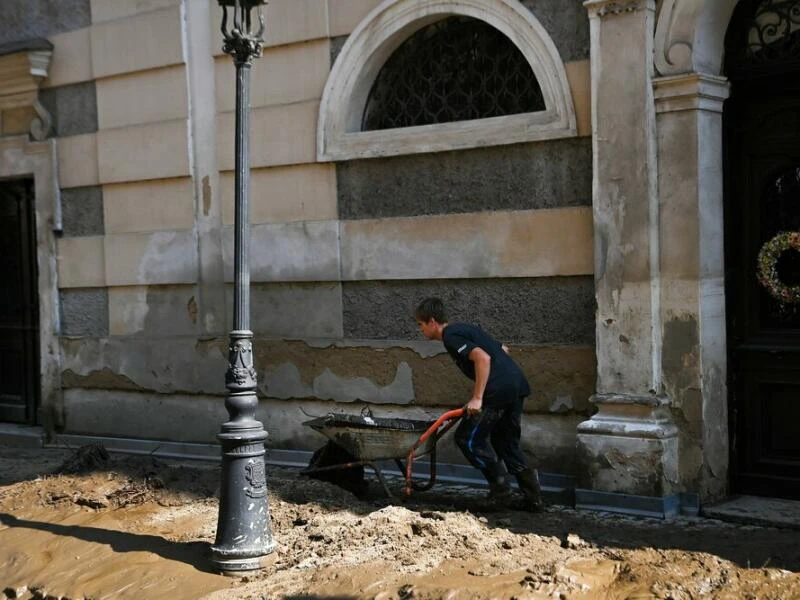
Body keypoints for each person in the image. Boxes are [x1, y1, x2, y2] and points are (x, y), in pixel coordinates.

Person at [414, 297, 543, 511]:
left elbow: (483, 358)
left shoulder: (451, 336)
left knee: (468, 439)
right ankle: (534, 499)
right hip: (516, 385)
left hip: (499, 390)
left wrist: (478, 397)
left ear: (432, 322)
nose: (421, 330)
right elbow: (503, 349)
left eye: (421, 324)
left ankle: (501, 491)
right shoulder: (465, 329)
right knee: (505, 442)